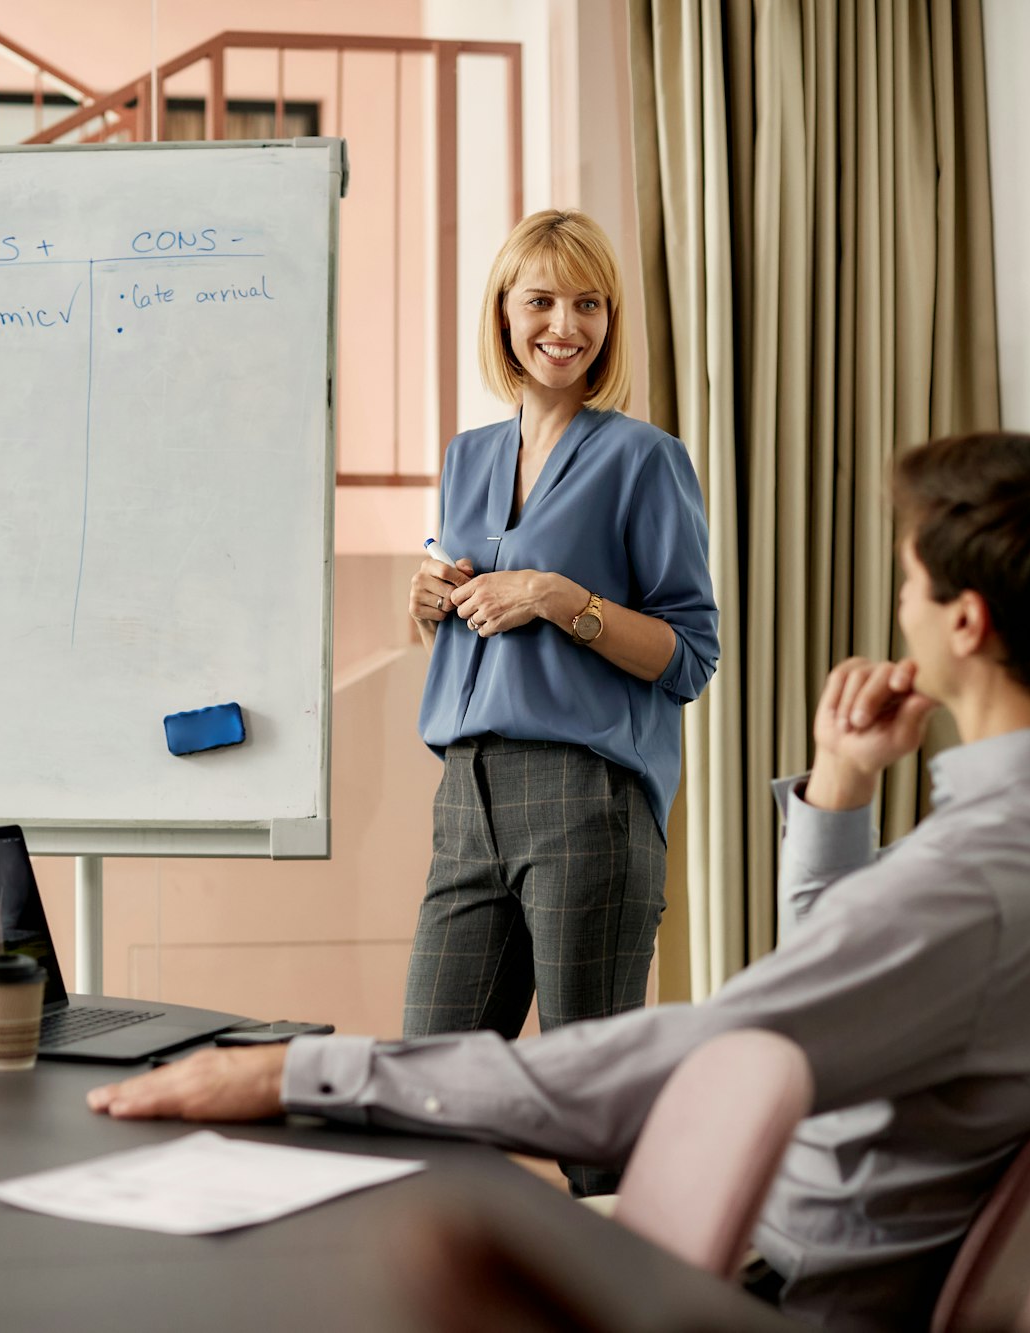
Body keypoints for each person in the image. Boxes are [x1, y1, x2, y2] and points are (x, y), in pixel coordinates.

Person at [90, 432, 1030, 1331]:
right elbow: (842, 977)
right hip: (824, 1249)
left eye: (907, 584)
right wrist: (844, 785)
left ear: (964, 622)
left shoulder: (984, 878)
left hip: (778, 1291)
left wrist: (301, 1072)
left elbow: (676, 1065)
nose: (897, 607)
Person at [402, 208, 718, 1194]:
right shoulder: (465, 457)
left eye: (586, 303)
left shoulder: (643, 458)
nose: (563, 325)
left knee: (589, 1109)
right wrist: (424, 596)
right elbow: (463, 601)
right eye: (539, 299)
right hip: (466, 791)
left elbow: (690, 652)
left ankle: (631, 1294)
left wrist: (558, 598)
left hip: (585, 797)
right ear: (501, 313)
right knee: (428, 1096)